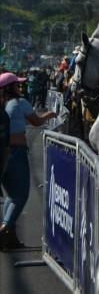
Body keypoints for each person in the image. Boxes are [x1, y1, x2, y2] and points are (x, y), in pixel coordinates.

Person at [1, 72, 58, 250]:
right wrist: (51, 114)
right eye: (17, 85)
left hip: (3, 153)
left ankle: (10, 237)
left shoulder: (3, 106)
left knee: (11, 194)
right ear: (11, 88)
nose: (21, 87)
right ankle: (5, 228)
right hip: (16, 153)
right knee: (20, 195)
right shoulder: (20, 103)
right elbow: (37, 122)